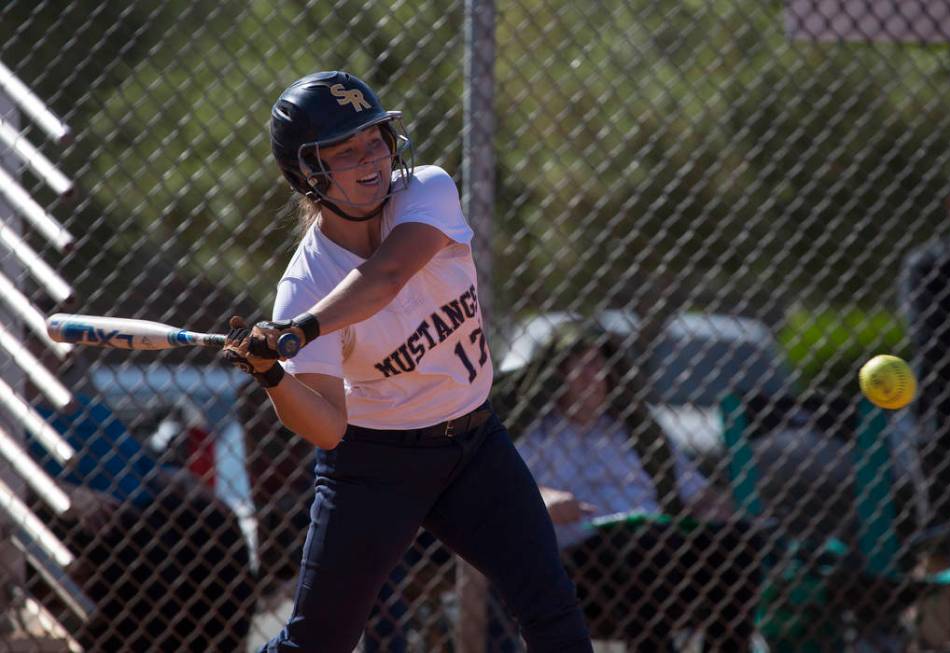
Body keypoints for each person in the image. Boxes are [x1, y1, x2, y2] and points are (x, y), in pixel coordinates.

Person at [221, 70, 593, 652]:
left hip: (474, 445)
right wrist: (271, 372)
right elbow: (326, 425)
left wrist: (301, 331)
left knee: (550, 605)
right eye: (345, 150)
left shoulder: (427, 189)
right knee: (318, 642)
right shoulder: (305, 282)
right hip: (376, 464)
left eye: (374, 138)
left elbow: (388, 275)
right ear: (307, 172)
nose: (370, 156)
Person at [507, 320, 760, 652]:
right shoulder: (535, 434)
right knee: (646, 545)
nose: (592, 377)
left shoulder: (634, 433)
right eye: (579, 367)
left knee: (738, 540)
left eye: (599, 365)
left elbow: (697, 493)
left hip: (661, 550)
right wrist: (543, 499)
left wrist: (719, 513)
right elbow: (502, 489)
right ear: (556, 375)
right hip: (579, 561)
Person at [26, 394, 256, 652]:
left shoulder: (89, 406)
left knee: (216, 523)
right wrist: (66, 493)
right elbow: (12, 472)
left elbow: (143, 465)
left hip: (143, 501)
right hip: (80, 512)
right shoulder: (15, 412)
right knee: (149, 545)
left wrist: (178, 477)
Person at [901, 155, 950, 559]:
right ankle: (938, 620)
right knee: (942, 550)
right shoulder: (930, 267)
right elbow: (933, 343)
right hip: (947, 427)